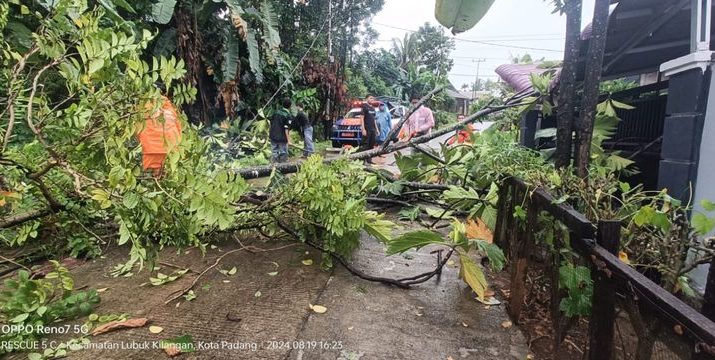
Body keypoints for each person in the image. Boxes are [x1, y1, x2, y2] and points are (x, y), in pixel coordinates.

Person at [138, 94, 182, 177]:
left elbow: (136, 129)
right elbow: (179, 128)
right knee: (163, 176)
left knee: (149, 178)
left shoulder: (142, 107)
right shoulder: (169, 108)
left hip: (152, 150)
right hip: (169, 150)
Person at [270, 98, 293, 163]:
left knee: (274, 151)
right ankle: (283, 168)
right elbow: (286, 128)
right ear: (290, 106)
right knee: (283, 152)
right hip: (282, 137)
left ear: (282, 105)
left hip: (273, 136)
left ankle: (274, 168)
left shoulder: (276, 112)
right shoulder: (288, 116)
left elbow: (271, 123)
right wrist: (289, 141)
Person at [360, 95, 378, 164]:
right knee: (365, 145)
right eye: (370, 98)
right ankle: (363, 160)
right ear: (366, 99)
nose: (372, 99)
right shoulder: (364, 107)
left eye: (373, 98)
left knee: (371, 144)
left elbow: (374, 120)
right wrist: (363, 129)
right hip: (367, 128)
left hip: (373, 129)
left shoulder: (373, 108)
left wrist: (377, 130)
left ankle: (369, 160)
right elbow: (361, 118)